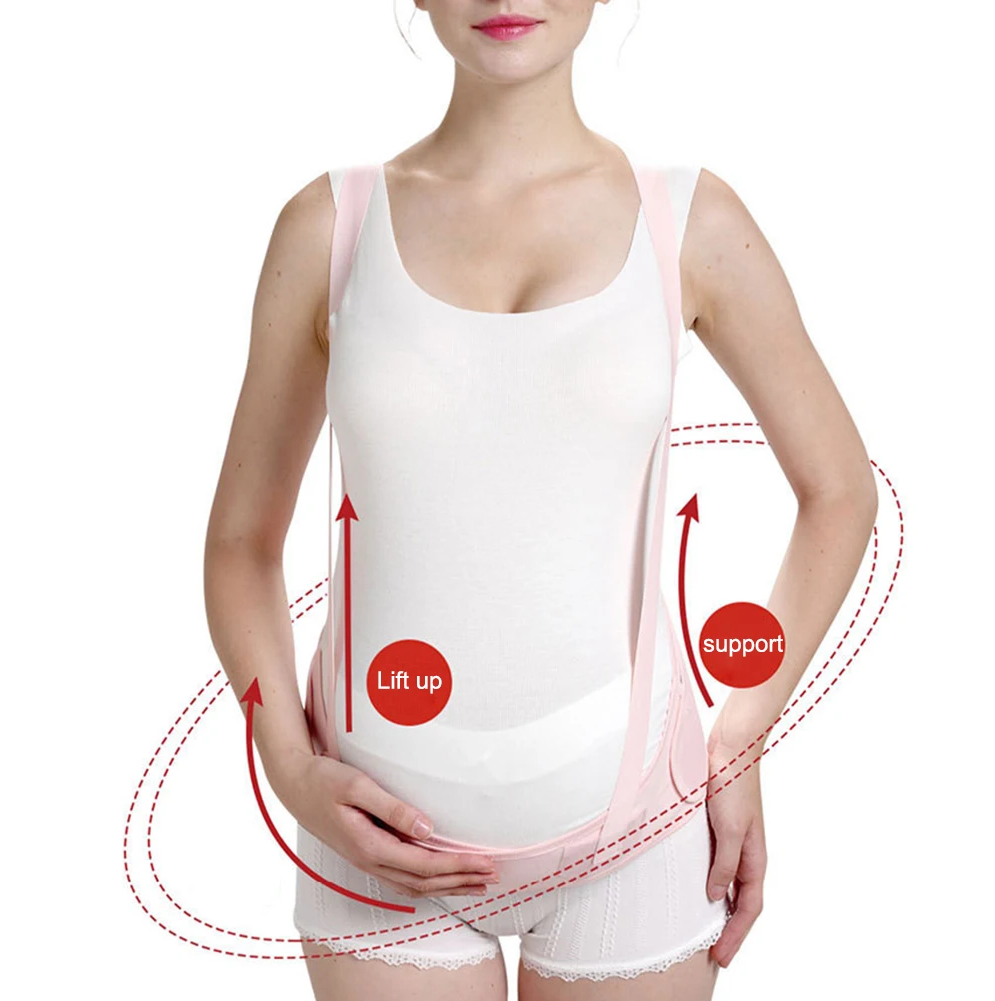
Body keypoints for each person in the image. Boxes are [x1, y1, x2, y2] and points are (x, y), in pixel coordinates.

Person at [203, 3, 878, 999]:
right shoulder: (328, 227)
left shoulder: (688, 219)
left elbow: (838, 489)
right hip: (370, 827)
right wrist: (291, 769)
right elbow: (240, 542)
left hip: (637, 819)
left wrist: (740, 735)